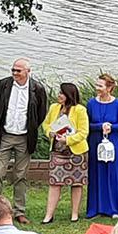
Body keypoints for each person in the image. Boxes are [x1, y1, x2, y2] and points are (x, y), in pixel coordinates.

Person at [0, 58, 48, 224]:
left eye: (18, 71)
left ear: (28, 71)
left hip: (24, 137)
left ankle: (18, 211)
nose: (15, 73)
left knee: (20, 175)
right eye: (13, 70)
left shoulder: (37, 89)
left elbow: (41, 113)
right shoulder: (3, 85)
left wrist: (30, 127)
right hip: (5, 135)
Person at [40, 81, 89, 225]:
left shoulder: (80, 110)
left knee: (76, 183)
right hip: (57, 151)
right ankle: (49, 215)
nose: (59, 95)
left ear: (68, 95)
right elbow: (46, 124)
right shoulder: (54, 107)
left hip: (76, 152)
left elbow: (83, 132)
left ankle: (74, 214)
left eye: (61, 93)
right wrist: (51, 133)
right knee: (55, 183)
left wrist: (68, 139)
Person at [86, 74, 118, 219]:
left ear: (109, 88)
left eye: (100, 86)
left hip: (114, 141)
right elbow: (88, 124)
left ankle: (116, 207)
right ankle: (97, 207)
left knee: (114, 173)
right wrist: (101, 126)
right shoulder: (91, 104)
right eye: (97, 85)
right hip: (96, 141)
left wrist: (111, 127)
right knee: (97, 172)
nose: (97, 88)